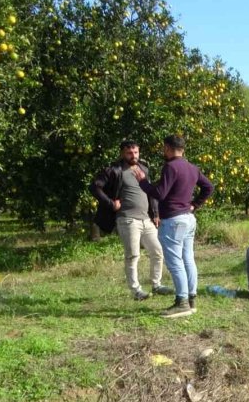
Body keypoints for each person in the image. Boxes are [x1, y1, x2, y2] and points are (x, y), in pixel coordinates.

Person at [133, 135, 214, 318]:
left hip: (173, 220)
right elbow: (208, 186)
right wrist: (195, 204)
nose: (164, 151)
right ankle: (191, 299)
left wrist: (143, 182)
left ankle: (182, 302)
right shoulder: (192, 167)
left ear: (168, 148)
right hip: (188, 218)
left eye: (164, 148)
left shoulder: (170, 167)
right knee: (188, 259)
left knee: (175, 261)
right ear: (183, 149)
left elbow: (160, 194)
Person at [89, 139, 174, 300]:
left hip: (146, 219)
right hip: (127, 220)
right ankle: (136, 291)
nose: (133, 155)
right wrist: (110, 203)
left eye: (136, 152)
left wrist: (155, 213)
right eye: (129, 152)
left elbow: (151, 192)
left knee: (158, 251)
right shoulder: (114, 170)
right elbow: (94, 186)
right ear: (122, 153)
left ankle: (157, 285)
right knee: (133, 255)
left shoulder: (143, 168)